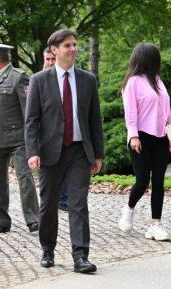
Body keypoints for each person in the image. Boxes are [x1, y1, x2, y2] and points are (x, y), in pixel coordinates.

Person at [25, 29, 104, 274]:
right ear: (54, 50)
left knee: (78, 203)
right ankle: (47, 248)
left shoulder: (87, 79)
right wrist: (32, 151)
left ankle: (80, 255)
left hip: (80, 151)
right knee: (48, 204)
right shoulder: (39, 80)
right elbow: (32, 120)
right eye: (67, 45)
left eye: (74, 44)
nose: (73, 49)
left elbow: (94, 120)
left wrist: (98, 154)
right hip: (50, 152)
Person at [0, 42, 40, 234]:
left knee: (24, 178)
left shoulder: (18, 78)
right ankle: (1, 221)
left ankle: (33, 219)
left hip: (17, 138)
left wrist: (32, 139)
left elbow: (29, 111)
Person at [117, 43, 171, 241]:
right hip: (141, 137)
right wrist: (133, 135)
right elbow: (131, 111)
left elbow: (166, 112)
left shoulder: (159, 81)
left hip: (161, 137)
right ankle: (129, 209)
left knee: (159, 180)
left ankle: (156, 224)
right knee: (142, 180)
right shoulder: (132, 82)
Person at [43, 47, 68, 211]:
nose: (50, 62)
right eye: (47, 59)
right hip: (45, 133)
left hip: (64, 131)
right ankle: (49, 199)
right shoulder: (38, 80)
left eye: (53, 59)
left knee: (65, 165)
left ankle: (64, 200)